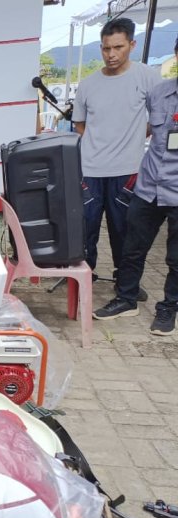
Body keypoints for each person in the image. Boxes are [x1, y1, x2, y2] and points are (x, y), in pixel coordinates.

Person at [92, 37, 178, 336]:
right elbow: (147, 129)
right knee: (131, 246)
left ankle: (168, 309)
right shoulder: (159, 92)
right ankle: (127, 298)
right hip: (150, 185)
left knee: (175, 257)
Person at [72, 17, 161, 296]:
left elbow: (158, 119)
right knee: (85, 230)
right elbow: (79, 123)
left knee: (124, 230)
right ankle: (84, 280)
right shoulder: (88, 85)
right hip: (90, 170)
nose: (111, 54)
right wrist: (98, 143)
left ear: (132, 45)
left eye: (118, 47)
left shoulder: (147, 77)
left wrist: (135, 137)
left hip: (128, 170)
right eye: (106, 48)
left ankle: (127, 283)